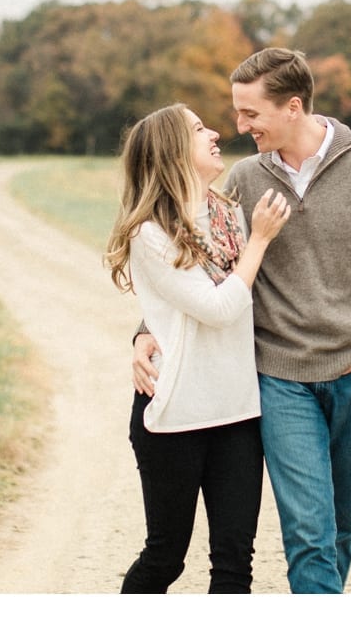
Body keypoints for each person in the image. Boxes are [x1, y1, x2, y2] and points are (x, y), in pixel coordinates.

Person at [133, 48, 351, 593]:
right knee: (307, 530)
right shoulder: (245, 178)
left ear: (292, 108)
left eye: (249, 114)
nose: (238, 125)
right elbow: (200, 262)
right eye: (235, 113)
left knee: (341, 528)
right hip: (280, 380)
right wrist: (143, 330)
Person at [105, 102, 292, 593]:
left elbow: (261, 282)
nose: (215, 133)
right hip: (175, 417)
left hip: (237, 414)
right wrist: (260, 242)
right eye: (198, 128)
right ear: (172, 151)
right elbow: (218, 307)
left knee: (235, 566)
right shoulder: (150, 233)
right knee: (165, 558)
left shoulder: (230, 213)